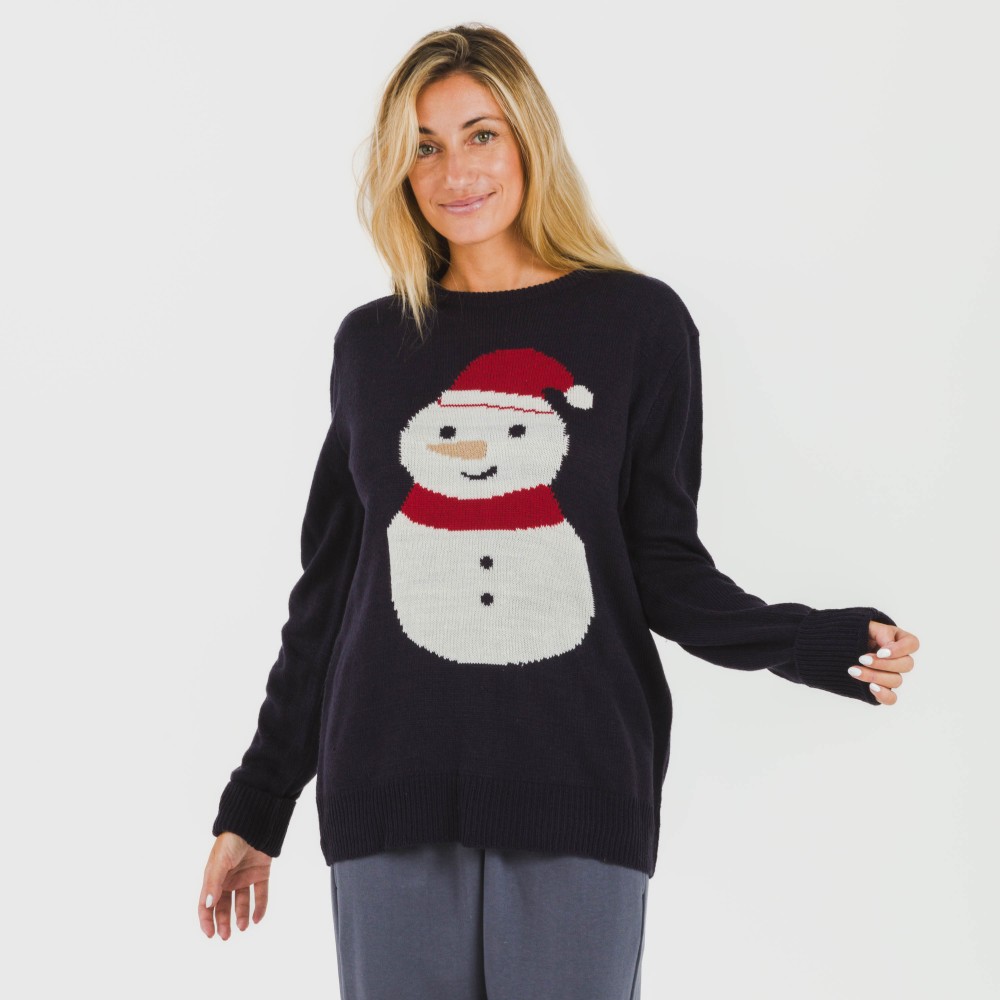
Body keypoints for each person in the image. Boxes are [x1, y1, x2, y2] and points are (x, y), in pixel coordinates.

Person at [197, 22, 918, 1000]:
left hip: (576, 779)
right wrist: (256, 803)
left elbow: (662, 565)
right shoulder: (371, 345)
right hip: (386, 786)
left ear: (529, 140)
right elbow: (328, 595)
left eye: (480, 134)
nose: (455, 171)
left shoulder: (637, 325)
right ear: (397, 169)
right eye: (423, 146)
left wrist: (809, 642)